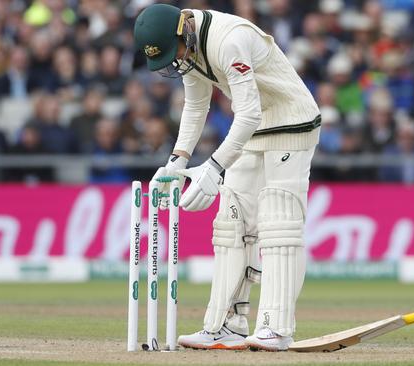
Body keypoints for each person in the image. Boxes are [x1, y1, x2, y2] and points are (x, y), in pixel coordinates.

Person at [134, 4, 321, 351]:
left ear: (183, 31)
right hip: (253, 127)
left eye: (174, 53)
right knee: (230, 223)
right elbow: (196, 105)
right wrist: (177, 161)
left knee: (279, 224)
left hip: (290, 119)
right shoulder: (186, 47)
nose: (176, 63)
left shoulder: (229, 41)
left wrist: (214, 166)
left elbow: (247, 112)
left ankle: (276, 327)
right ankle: (227, 325)